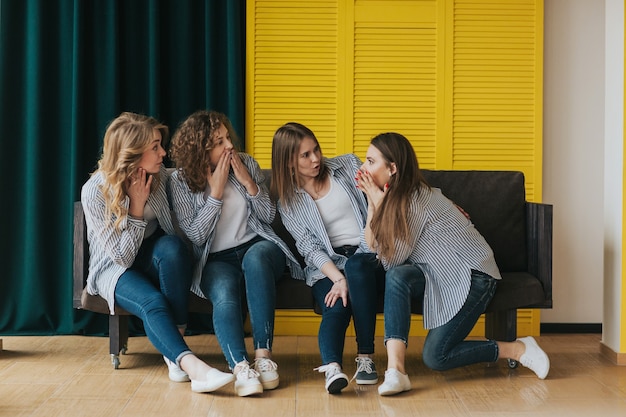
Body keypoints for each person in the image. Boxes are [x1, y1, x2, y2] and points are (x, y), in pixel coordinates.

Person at [355, 132, 550, 396]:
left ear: (392, 169)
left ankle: (518, 348)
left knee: (436, 356)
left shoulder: (413, 200)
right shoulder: (392, 198)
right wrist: (372, 204)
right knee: (399, 277)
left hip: (474, 275)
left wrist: (378, 202)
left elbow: (389, 259)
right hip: (437, 272)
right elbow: (371, 247)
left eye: (369, 161)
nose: (363, 168)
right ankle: (396, 371)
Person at [81, 112, 234, 393]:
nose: (163, 152)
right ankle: (193, 366)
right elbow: (122, 259)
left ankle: (173, 349)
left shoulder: (161, 176)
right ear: (133, 152)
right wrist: (137, 209)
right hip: (115, 268)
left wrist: (220, 184)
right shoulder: (95, 191)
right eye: (155, 147)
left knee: (173, 247)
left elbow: (190, 199)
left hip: (153, 255)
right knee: (152, 301)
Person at [168, 110, 303, 397]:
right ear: (200, 148)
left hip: (259, 246)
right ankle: (240, 366)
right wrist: (215, 193)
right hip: (216, 260)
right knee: (225, 292)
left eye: (227, 137)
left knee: (255, 260)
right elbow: (196, 235)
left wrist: (249, 183)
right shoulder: (179, 181)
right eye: (219, 142)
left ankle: (264, 357)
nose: (229, 145)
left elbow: (267, 216)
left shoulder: (248, 164)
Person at [270, 122, 386, 394]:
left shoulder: (346, 166)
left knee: (357, 266)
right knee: (336, 305)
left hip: (369, 252)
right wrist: (338, 279)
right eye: (305, 155)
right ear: (288, 162)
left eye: (316, 150)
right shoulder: (288, 201)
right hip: (327, 266)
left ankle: (366, 358)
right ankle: (332, 368)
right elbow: (309, 247)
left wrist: (443, 201)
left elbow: (389, 187)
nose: (316, 159)